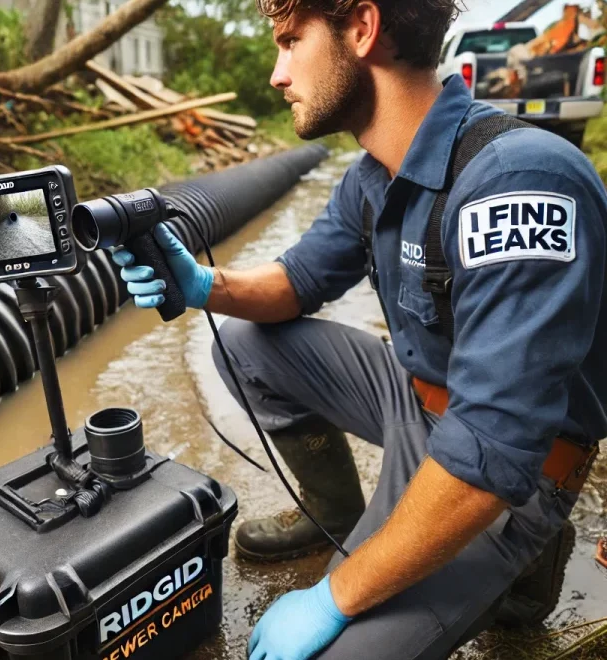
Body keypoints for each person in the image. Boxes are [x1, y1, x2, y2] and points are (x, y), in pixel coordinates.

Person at [108, 0, 607, 657]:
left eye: (290, 42)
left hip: (510, 470)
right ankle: (337, 515)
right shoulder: (372, 177)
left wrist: (333, 595)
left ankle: (525, 559)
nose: (277, 74)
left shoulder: (517, 184)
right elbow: (295, 284)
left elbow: (490, 453)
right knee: (243, 343)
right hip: (417, 401)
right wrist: (202, 286)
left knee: (328, 649)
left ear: (363, 29)